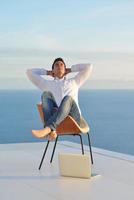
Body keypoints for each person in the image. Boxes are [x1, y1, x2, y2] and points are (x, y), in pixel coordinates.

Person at [26, 57, 93, 140]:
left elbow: (89, 67)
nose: (59, 66)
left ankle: (48, 128)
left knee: (68, 98)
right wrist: (47, 72)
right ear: (53, 70)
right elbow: (29, 72)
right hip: (58, 121)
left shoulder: (74, 81)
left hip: (73, 119)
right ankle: (51, 131)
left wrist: (71, 69)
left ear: (65, 69)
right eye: (56, 65)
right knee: (46, 94)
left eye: (62, 65)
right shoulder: (47, 84)